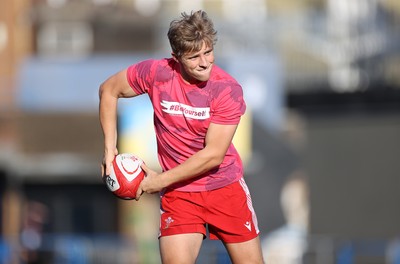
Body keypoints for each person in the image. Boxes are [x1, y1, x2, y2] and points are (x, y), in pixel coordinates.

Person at [99, 10, 264, 264]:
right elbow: (109, 90)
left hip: (224, 189)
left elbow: (213, 155)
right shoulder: (157, 74)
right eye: (194, 56)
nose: (204, 62)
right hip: (180, 194)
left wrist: (159, 181)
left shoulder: (227, 90)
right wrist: (110, 153)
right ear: (175, 57)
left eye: (208, 52)